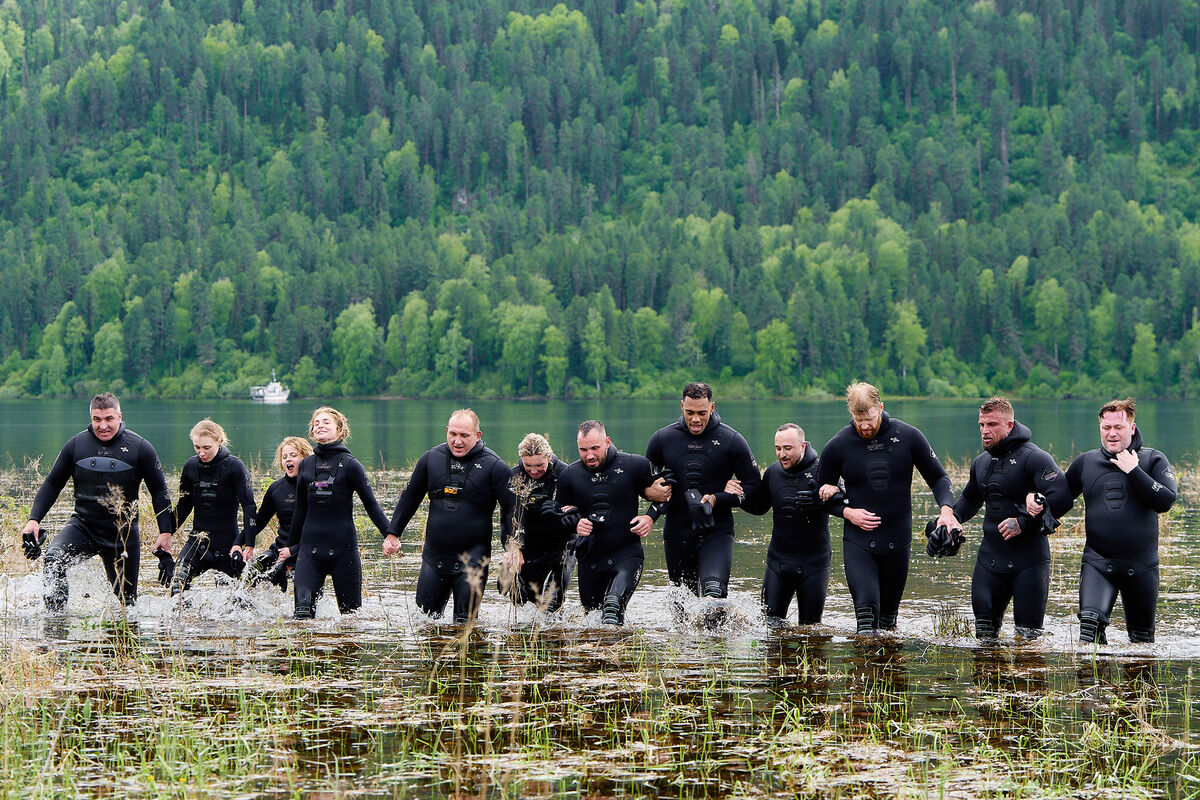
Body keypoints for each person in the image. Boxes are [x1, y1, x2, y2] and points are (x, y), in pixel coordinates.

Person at [817, 382, 958, 635]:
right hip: (859, 542)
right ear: (851, 414)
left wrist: (946, 511)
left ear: (880, 408)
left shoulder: (909, 436)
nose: (864, 426)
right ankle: (863, 671)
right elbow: (820, 494)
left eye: (869, 418)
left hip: (898, 541)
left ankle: (889, 674)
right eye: (858, 420)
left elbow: (939, 478)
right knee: (867, 623)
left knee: (888, 625)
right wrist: (847, 512)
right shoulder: (838, 445)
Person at [22, 393, 174, 611]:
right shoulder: (76, 445)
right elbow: (53, 483)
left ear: (120, 416)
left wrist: (165, 533)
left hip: (123, 535)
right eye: (97, 419)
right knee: (53, 560)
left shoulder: (140, 448)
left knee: (127, 604)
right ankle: (55, 623)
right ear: (91, 418)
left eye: (109, 419)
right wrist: (33, 520)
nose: (103, 426)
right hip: (84, 526)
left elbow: (159, 491)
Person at [950, 397, 1072, 639]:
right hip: (989, 561)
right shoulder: (981, 462)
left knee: (1028, 640)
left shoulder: (1034, 457)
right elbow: (970, 500)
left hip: (1029, 562)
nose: (985, 431)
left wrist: (1023, 522)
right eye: (982, 425)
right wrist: (950, 519)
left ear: (1009, 425)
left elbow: (1062, 497)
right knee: (984, 639)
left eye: (992, 425)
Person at [383, 409, 515, 624]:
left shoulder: (495, 466)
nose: (457, 441)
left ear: (478, 435)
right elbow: (410, 497)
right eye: (453, 434)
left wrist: (512, 548)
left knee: (466, 627)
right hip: (434, 558)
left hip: (473, 560)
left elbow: (511, 510)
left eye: (464, 435)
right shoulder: (430, 459)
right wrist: (392, 533)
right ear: (446, 431)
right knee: (424, 624)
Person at [1066, 398, 1177, 644]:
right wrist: (1034, 502)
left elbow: (1166, 501)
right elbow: (1059, 500)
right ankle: (1094, 682)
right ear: (1100, 429)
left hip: (1142, 566)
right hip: (1097, 562)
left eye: (1119, 427)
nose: (1112, 433)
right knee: (1089, 631)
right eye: (1107, 428)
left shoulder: (1153, 460)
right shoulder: (1086, 462)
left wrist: (1134, 470)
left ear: (1132, 428)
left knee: (1142, 645)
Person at [644, 382, 761, 607]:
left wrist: (722, 497)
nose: (695, 419)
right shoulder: (662, 439)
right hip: (677, 532)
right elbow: (644, 483)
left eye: (702, 413)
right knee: (682, 605)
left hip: (717, 531)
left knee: (714, 597)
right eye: (690, 412)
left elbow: (755, 490)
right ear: (681, 406)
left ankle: (718, 642)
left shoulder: (732, 440)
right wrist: (650, 491)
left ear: (713, 407)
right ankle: (685, 644)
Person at [284, 407, 389, 618]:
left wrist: (390, 534)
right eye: (316, 423)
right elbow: (300, 510)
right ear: (312, 432)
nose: (320, 425)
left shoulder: (351, 466)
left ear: (340, 430)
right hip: (309, 551)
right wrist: (290, 549)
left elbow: (371, 504)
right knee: (302, 615)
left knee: (351, 618)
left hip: (344, 552)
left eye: (326, 422)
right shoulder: (305, 465)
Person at [555, 420, 661, 625]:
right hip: (590, 560)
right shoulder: (569, 475)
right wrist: (575, 524)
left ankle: (618, 655)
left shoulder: (633, 465)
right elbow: (558, 516)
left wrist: (650, 517)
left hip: (626, 554)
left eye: (595, 448)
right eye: (583, 450)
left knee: (612, 610)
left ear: (607, 442)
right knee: (592, 621)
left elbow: (667, 494)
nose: (590, 455)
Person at [738, 423, 842, 626]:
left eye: (788, 448)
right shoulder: (772, 472)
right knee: (770, 626)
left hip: (814, 564)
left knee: (811, 630)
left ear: (802, 446)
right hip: (778, 563)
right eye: (778, 448)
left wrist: (827, 496)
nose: (782, 454)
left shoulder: (822, 470)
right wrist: (737, 495)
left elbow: (843, 500)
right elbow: (759, 507)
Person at [169, 419, 258, 596]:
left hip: (228, 544)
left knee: (239, 597)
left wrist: (248, 544)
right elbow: (184, 506)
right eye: (197, 447)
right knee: (177, 585)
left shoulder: (235, 467)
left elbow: (249, 506)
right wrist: (165, 533)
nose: (201, 453)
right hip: (197, 541)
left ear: (219, 441)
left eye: (206, 448)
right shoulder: (190, 467)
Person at [501, 433, 571, 612]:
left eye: (539, 465)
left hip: (559, 544)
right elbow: (510, 515)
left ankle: (555, 632)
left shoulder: (564, 473)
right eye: (528, 465)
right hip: (529, 542)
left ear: (549, 457)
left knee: (550, 603)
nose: (533, 471)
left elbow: (577, 513)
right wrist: (513, 548)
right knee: (517, 594)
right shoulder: (515, 477)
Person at [244, 436, 314, 591]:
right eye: (284, 457)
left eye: (293, 455)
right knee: (250, 574)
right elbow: (260, 521)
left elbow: (321, 530)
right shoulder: (276, 488)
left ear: (306, 458)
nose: (288, 459)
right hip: (280, 549)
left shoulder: (315, 487)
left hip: (307, 551)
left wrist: (293, 551)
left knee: (305, 599)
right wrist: (238, 543)